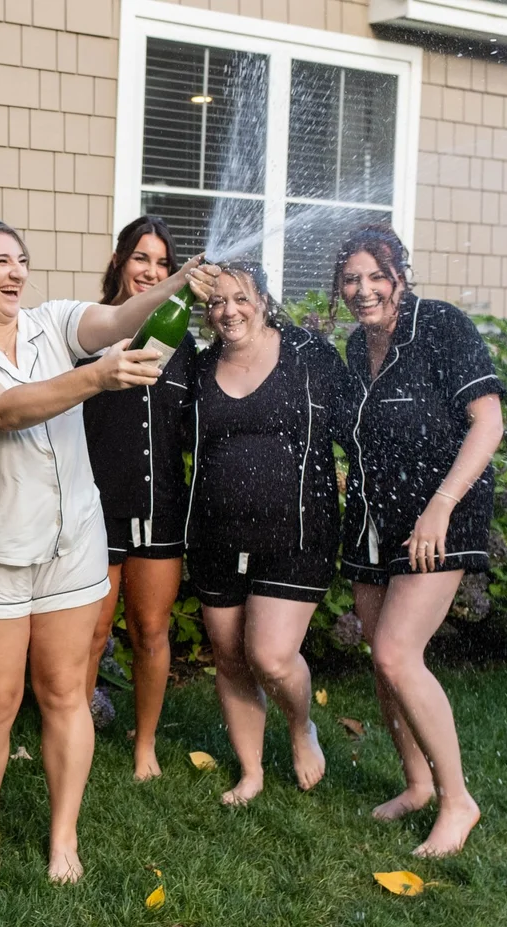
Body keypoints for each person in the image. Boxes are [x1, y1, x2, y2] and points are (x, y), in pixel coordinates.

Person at [0, 211, 219, 882]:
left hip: (72, 541)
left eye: (21, 259)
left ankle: (63, 840)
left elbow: (114, 323)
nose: (17, 272)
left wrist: (177, 284)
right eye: (0, 261)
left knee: (63, 694)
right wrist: (96, 379)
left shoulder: (53, 323)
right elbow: (4, 409)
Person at [334, 224, 503, 858]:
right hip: (375, 516)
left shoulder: (441, 326)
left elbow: (487, 423)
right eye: (351, 279)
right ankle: (417, 784)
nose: (363, 289)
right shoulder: (357, 347)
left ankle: (459, 801)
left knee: (398, 652)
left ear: (399, 275)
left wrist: (441, 506)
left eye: (376, 276)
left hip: (438, 515)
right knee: (383, 662)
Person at [184, 261, 346, 806]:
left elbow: (352, 422)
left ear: (263, 298)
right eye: (216, 302)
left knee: (271, 656)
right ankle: (250, 770)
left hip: (296, 532)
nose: (228, 311)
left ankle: (301, 729)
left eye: (240, 298)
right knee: (229, 658)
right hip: (215, 533)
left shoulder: (308, 355)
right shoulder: (202, 367)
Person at [80, 216, 197, 781]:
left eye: (161, 262)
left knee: (151, 631)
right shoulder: (89, 335)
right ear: (119, 262)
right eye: (140, 259)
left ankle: (144, 743)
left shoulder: (186, 344)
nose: (151, 271)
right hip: (98, 508)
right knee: (94, 634)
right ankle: (73, 731)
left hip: (162, 507)